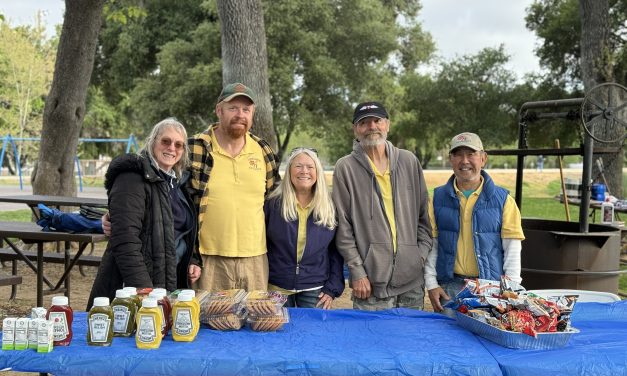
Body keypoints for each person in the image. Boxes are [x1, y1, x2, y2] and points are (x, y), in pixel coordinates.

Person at [88, 118, 201, 309]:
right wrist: (145, 292)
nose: (172, 148)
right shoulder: (131, 178)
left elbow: (175, 230)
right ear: (152, 142)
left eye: (179, 145)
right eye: (166, 141)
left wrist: (192, 260)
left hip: (167, 283)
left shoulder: (176, 184)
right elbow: (126, 241)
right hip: (133, 290)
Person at [332, 101, 432, 311]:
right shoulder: (345, 168)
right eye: (364, 122)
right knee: (372, 343)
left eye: (377, 120)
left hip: (411, 281)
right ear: (355, 129)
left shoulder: (409, 161)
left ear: (387, 124)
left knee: (410, 342)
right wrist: (357, 270)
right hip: (369, 284)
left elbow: (424, 216)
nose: (372, 127)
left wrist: (419, 256)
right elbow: (343, 227)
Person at [187, 82, 280, 292]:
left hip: (255, 259)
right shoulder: (195, 148)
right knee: (209, 321)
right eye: (233, 108)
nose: (240, 114)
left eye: (246, 109)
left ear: (253, 113)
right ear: (219, 110)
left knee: (254, 321)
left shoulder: (263, 151)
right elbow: (166, 190)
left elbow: (279, 202)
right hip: (207, 259)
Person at [425, 132, 525, 314]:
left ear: (483, 158)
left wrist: (511, 288)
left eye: (471, 154)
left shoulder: (504, 200)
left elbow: (512, 248)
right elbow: (432, 245)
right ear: (451, 159)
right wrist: (431, 283)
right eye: (458, 154)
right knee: (448, 340)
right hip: (449, 289)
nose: (464, 161)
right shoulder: (437, 199)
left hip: (491, 290)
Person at [264, 147, 344, 309]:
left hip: (316, 287)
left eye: (310, 167)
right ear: (289, 171)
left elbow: (336, 250)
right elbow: (262, 244)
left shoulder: (330, 206)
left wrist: (332, 287)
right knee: (278, 333)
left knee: (313, 333)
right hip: (277, 287)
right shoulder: (272, 204)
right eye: (298, 166)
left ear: (318, 172)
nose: (304, 171)